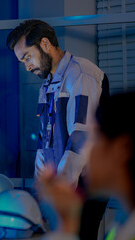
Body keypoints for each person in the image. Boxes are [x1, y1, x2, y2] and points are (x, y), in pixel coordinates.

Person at [6, 19, 110, 238]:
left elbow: (80, 138)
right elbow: (44, 144)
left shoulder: (82, 73)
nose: (27, 66)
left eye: (27, 57)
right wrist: (42, 192)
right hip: (63, 189)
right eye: (22, 61)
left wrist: (59, 191)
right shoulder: (47, 85)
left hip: (84, 188)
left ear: (45, 44)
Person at [38, 91, 135, 240]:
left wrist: (65, 227)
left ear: (122, 149)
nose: (84, 149)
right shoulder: (123, 221)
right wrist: (69, 222)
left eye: (93, 137)